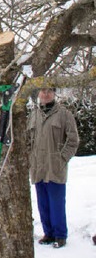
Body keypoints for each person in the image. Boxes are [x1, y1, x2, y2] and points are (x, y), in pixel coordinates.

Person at [28, 87, 79, 249]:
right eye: (43, 91)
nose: (46, 94)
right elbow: (28, 139)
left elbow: (73, 140)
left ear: (54, 94)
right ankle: (48, 233)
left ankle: (60, 234)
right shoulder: (33, 115)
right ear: (38, 94)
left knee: (56, 202)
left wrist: (62, 158)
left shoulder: (64, 114)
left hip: (55, 166)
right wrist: (30, 157)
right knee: (42, 203)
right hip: (38, 166)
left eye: (49, 91)